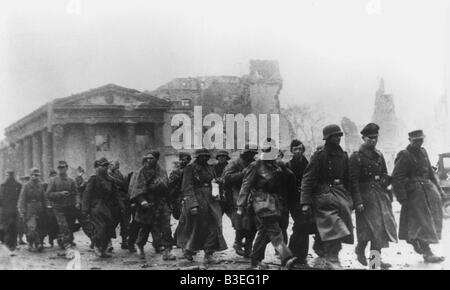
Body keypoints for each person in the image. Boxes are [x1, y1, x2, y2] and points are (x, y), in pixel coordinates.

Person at [300, 124, 354, 269]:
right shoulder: (319, 156)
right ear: (328, 138)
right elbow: (308, 179)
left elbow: (348, 178)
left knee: (339, 225)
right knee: (334, 226)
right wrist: (305, 202)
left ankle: (320, 246)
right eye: (335, 136)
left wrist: (350, 198)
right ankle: (333, 257)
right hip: (323, 195)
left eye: (339, 136)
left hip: (341, 194)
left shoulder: (343, 156)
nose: (338, 138)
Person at [237, 141, 298, 269]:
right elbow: (246, 186)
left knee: (264, 232)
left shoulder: (275, 165)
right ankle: (286, 257)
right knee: (275, 230)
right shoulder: (255, 166)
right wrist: (240, 206)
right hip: (261, 202)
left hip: (274, 202)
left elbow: (290, 177)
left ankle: (255, 260)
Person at [392, 130, 445, 263]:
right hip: (414, 195)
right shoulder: (404, 155)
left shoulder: (424, 152)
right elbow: (397, 178)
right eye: (416, 141)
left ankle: (417, 243)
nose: (418, 143)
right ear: (409, 140)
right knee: (422, 222)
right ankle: (426, 251)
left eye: (421, 140)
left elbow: (431, 174)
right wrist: (402, 198)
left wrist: (439, 190)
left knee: (430, 220)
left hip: (428, 192)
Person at [349, 123, 398, 269]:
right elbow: (353, 181)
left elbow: (384, 172)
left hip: (380, 194)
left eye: (375, 138)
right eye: (369, 138)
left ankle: (374, 261)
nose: (373, 140)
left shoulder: (379, 154)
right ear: (363, 138)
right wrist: (357, 201)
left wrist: (386, 181)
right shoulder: (356, 157)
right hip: (365, 197)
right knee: (369, 229)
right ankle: (360, 248)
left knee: (381, 229)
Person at [177, 148, 227, 264]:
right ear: (197, 157)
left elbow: (213, 180)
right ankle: (188, 250)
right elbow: (187, 187)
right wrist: (192, 205)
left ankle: (209, 253)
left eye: (206, 156)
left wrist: (217, 185)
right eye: (202, 156)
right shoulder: (190, 168)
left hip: (211, 199)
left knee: (214, 226)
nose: (204, 158)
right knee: (194, 226)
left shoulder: (210, 168)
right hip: (197, 199)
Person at [128, 151, 175, 260]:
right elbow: (137, 188)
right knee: (146, 226)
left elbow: (167, 188)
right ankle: (139, 245)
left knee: (166, 227)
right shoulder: (141, 172)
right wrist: (142, 201)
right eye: (147, 158)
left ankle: (167, 251)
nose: (149, 160)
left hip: (161, 203)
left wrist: (169, 202)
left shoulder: (162, 172)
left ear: (156, 159)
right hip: (147, 203)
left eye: (151, 158)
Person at [222, 144, 258, 258]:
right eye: (249, 153)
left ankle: (248, 248)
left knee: (253, 224)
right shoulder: (235, 163)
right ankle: (238, 243)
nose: (251, 156)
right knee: (241, 222)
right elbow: (226, 178)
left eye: (253, 154)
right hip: (237, 195)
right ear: (244, 153)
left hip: (253, 195)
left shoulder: (254, 163)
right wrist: (243, 173)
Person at [82, 157, 123, 258]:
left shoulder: (111, 180)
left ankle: (103, 249)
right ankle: (96, 245)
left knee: (109, 228)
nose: (105, 168)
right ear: (97, 167)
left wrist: (122, 205)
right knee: (101, 228)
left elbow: (116, 194)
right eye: (102, 166)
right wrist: (85, 209)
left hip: (107, 207)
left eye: (106, 166)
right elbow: (87, 194)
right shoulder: (93, 178)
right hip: (96, 207)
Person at [285, 140, 314, 265]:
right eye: (295, 149)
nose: (298, 151)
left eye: (300, 149)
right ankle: (292, 252)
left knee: (305, 224)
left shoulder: (308, 164)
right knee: (301, 222)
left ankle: (301, 254)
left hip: (306, 198)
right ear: (291, 151)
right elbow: (284, 184)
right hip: (293, 199)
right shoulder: (288, 165)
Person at [45, 161, 80, 254]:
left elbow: (76, 193)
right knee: (63, 225)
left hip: (69, 207)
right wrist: (60, 194)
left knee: (69, 225)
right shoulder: (53, 180)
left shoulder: (71, 180)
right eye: (59, 168)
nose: (61, 169)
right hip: (58, 208)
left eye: (63, 167)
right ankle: (66, 244)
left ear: (66, 168)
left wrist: (77, 202)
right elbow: (48, 194)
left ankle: (62, 240)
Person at [17, 168, 46, 252]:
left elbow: (44, 197)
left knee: (39, 227)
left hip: (39, 208)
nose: (36, 177)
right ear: (31, 175)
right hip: (29, 209)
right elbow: (22, 199)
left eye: (37, 175)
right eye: (34, 175)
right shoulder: (26, 186)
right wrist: (21, 210)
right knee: (31, 227)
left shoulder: (40, 185)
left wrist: (47, 206)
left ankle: (37, 243)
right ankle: (31, 243)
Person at [168, 152, 191, 246]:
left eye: (186, 159)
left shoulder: (190, 169)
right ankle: (178, 239)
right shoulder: (176, 171)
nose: (184, 161)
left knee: (186, 218)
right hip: (178, 197)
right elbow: (170, 184)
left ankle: (179, 238)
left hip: (187, 195)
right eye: (182, 159)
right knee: (183, 218)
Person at [108, 161, 130, 250]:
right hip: (113, 202)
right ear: (110, 165)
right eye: (114, 164)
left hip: (123, 201)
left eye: (118, 164)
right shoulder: (107, 175)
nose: (117, 166)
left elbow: (125, 186)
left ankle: (124, 241)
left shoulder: (119, 174)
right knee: (112, 223)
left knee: (125, 223)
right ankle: (108, 243)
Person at [0, 170, 22, 251]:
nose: (9, 176)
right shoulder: (4, 185)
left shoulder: (17, 185)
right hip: (8, 210)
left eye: (9, 175)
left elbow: (21, 197)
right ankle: (9, 243)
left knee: (11, 227)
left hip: (11, 210)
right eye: (8, 175)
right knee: (8, 227)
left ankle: (11, 244)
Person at [42, 170, 58, 247]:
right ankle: (50, 239)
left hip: (56, 206)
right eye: (52, 176)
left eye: (55, 176)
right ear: (49, 177)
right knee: (48, 223)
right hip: (47, 207)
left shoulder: (57, 185)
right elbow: (43, 196)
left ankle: (56, 239)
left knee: (56, 223)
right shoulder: (45, 185)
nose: (53, 178)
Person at [214, 150, 230, 217]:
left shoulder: (230, 166)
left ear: (226, 158)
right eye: (219, 157)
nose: (221, 158)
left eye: (223, 157)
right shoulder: (214, 167)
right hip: (216, 190)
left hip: (228, 190)